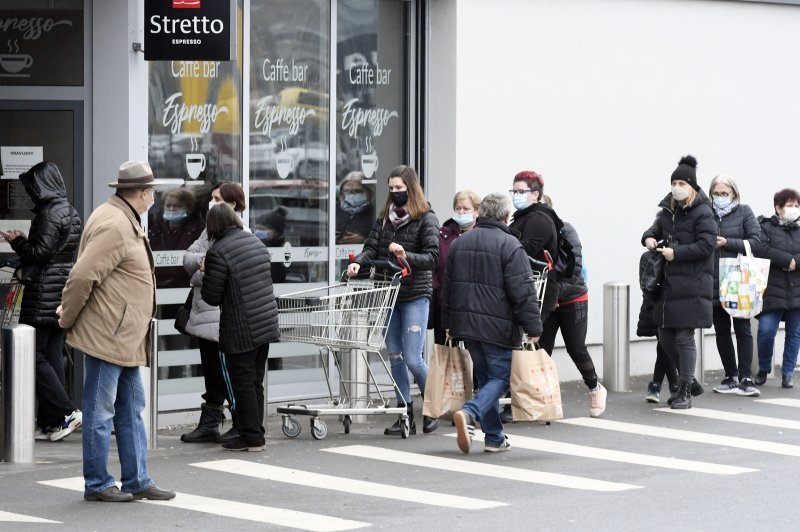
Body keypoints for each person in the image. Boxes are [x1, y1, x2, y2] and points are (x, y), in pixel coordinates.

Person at [58, 161, 175, 502]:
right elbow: (82, 276)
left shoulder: (121, 217)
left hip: (122, 335)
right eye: (151, 191)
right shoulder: (115, 223)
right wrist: (68, 316)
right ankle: (98, 483)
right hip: (108, 334)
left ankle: (137, 479)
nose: (153, 196)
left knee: (129, 408)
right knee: (100, 412)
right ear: (143, 193)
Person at [443, 192, 543, 453]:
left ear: (481, 214)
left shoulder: (459, 244)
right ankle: (470, 411)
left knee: (487, 378)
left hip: (467, 325)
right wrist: (534, 327)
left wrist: (448, 322)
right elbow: (523, 291)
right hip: (498, 326)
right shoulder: (509, 245)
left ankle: (494, 437)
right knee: (501, 377)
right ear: (506, 217)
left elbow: (448, 289)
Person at [347, 165, 440, 436]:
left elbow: (432, 258)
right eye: (391, 189)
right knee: (395, 355)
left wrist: (405, 254)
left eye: (400, 188)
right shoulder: (385, 218)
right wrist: (357, 265)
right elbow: (370, 248)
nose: (395, 193)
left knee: (413, 358)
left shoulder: (426, 218)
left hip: (415, 295)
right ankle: (404, 412)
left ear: (411, 188)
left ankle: (432, 406)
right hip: (389, 294)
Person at [0, 161, 82, 441]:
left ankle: (66, 412)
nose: (31, 192)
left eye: (32, 187)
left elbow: (39, 253)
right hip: (61, 289)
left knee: (33, 355)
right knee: (52, 354)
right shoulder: (70, 210)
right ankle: (53, 421)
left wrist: (17, 241)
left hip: (43, 291)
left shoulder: (48, 213)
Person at [201, 203, 279, 451]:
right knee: (255, 381)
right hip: (265, 322)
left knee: (242, 382)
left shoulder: (218, 251)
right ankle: (256, 431)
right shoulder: (255, 242)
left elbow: (211, 297)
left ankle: (251, 437)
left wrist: (205, 272)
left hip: (240, 326)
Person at [642, 155, 716, 409]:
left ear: (692, 186)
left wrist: (678, 253)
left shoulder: (703, 212)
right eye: (674, 182)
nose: (677, 187)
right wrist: (649, 239)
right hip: (668, 284)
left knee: (684, 338)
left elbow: (707, 245)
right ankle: (690, 381)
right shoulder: (668, 210)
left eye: (682, 183)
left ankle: (684, 389)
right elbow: (653, 229)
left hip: (693, 285)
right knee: (664, 337)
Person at [180, 181, 249, 444]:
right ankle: (210, 422)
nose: (212, 203)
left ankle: (239, 421)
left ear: (231, 204)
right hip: (204, 314)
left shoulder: (241, 233)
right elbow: (187, 258)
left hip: (220, 315)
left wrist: (202, 272)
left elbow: (221, 276)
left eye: (217, 199)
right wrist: (202, 265)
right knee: (211, 371)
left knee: (225, 372)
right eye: (211, 198)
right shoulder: (209, 231)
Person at [538, 194, 606, 417]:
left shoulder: (566, 231)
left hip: (572, 297)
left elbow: (574, 266)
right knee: (541, 350)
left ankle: (595, 387)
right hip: (547, 301)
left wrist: (553, 289)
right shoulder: (532, 236)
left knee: (575, 347)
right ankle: (543, 398)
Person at [504, 170, 560, 422]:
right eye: (513, 191)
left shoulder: (538, 219)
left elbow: (521, 254)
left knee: (529, 349)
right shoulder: (523, 217)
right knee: (524, 348)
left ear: (535, 194)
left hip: (537, 292)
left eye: (520, 191)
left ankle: (528, 401)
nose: (515, 195)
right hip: (526, 291)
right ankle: (520, 400)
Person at [707, 175, 762, 396]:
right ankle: (730, 376)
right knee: (721, 330)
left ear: (734, 194)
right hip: (712, 279)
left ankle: (746, 377)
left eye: (724, 193)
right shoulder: (706, 213)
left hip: (738, 280)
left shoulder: (744, 212)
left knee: (742, 328)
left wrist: (728, 243)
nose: (720, 197)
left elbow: (756, 241)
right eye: (716, 194)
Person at [753, 188, 800, 389]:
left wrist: (795, 262)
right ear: (778, 208)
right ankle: (764, 367)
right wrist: (785, 259)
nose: (794, 209)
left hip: (797, 289)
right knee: (766, 330)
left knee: (794, 333)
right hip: (772, 289)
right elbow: (760, 248)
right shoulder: (765, 226)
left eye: (797, 206)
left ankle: (788, 373)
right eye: (789, 205)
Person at [431, 190, 481, 345]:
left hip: (474, 307)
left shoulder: (483, 236)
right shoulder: (441, 235)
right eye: (458, 208)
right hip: (446, 306)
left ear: (477, 212)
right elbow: (433, 266)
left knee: (474, 354)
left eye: (466, 209)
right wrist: (439, 291)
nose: (461, 212)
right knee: (446, 353)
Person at [637, 250, 679, 403]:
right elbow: (646, 285)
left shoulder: (677, 254)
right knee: (665, 345)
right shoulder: (648, 257)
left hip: (672, 307)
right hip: (654, 307)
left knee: (664, 346)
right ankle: (674, 386)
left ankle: (656, 386)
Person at [148, 187, 205, 288]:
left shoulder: (198, 231)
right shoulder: (155, 231)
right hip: (158, 287)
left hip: (186, 286)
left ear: (189, 208)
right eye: (168, 205)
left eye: (177, 206)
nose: (172, 209)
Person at [336, 171, 375, 244]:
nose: (352, 195)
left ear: (368, 192)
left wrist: (363, 240)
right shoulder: (336, 210)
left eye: (357, 191)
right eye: (347, 191)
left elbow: (382, 239)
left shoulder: (375, 211)